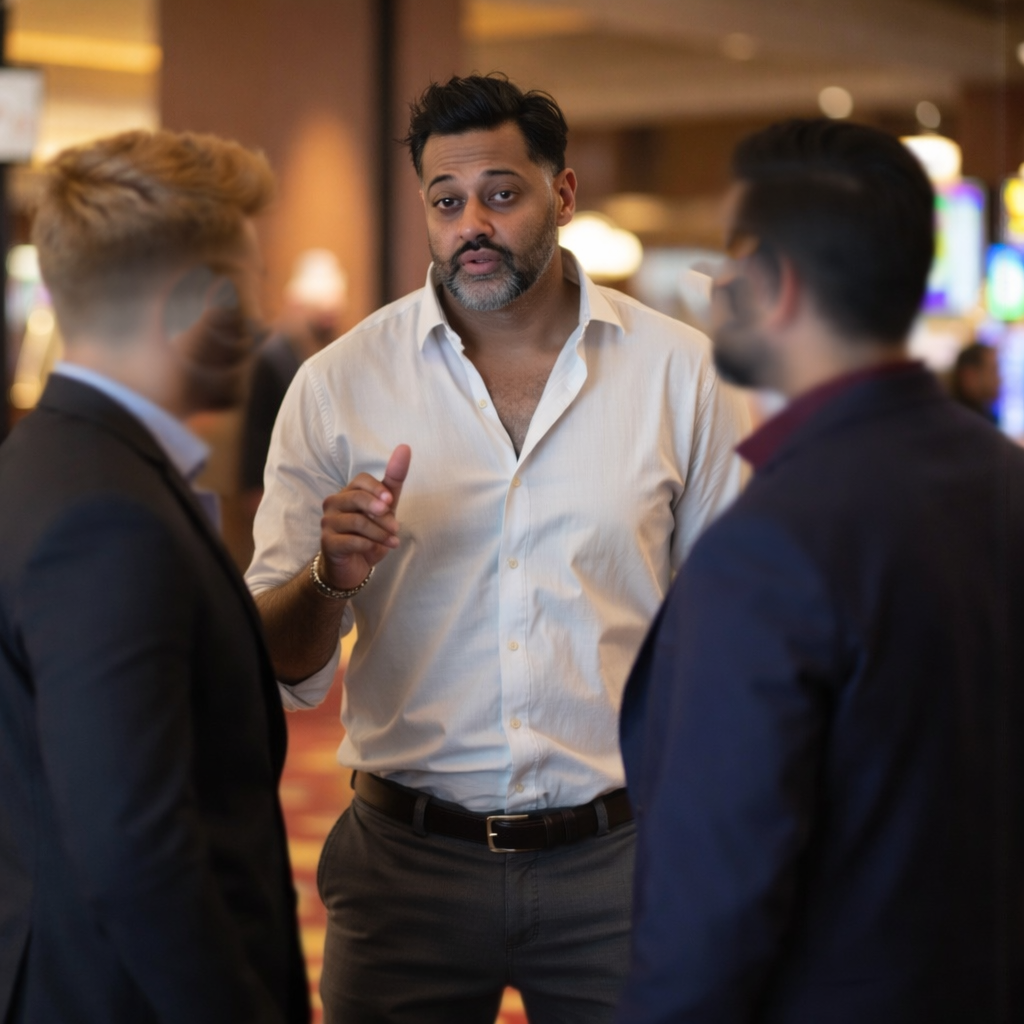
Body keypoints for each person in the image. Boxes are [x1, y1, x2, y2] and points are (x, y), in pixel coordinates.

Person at [246, 73, 749, 1023]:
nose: (471, 222)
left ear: (561, 195)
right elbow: (278, 660)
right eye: (447, 202)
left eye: (501, 194)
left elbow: (736, 633)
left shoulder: (683, 375)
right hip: (405, 868)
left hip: (625, 861)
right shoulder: (337, 384)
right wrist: (330, 576)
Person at [617, 118, 1024, 1023]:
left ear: (775, 285)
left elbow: (713, 909)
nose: (714, 288)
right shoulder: (1003, 476)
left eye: (727, 262)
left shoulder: (772, 545)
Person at [0, 130, 310, 1024]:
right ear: (195, 301)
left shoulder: (48, 463)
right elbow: (136, 850)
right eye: (247, 286)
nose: (257, 322)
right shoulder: (107, 517)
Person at [239, 248, 348, 502]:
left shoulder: (329, 354)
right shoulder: (272, 357)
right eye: (322, 317)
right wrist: (255, 490)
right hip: (279, 483)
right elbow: (256, 431)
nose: (327, 324)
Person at [950, 339, 1001, 422]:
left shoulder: (985, 416)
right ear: (969, 376)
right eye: (993, 371)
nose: (999, 379)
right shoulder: (956, 423)